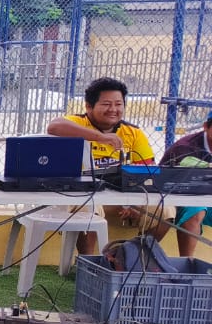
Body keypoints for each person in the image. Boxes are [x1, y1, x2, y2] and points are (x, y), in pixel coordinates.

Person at [46, 77, 158, 254]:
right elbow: (54, 127)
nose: (113, 109)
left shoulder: (134, 133)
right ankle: (88, 262)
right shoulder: (78, 123)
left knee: (163, 209)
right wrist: (101, 137)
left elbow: (148, 172)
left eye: (118, 104)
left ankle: (135, 260)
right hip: (83, 196)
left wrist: (132, 202)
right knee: (89, 205)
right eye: (106, 104)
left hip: (121, 200)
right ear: (88, 106)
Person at [149, 111, 212, 256]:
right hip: (178, 196)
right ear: (206, 126)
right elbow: (182, 179)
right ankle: (187, 262)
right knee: (195, 209)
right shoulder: (185, 147)